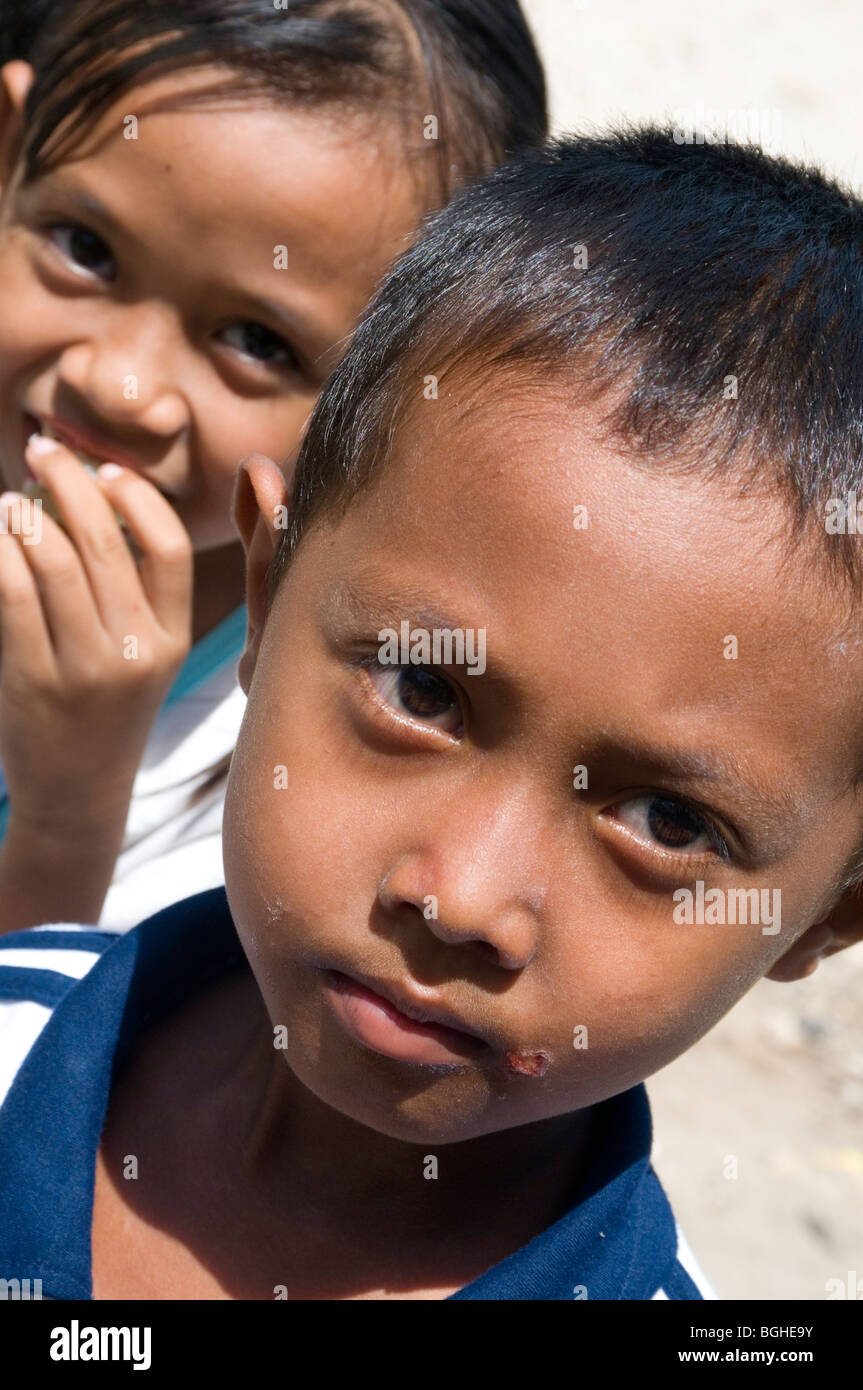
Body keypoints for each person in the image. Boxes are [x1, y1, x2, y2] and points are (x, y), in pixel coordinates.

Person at [7, 127, 863, 1300]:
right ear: (266, 596)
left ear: (830, 910)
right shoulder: (17, 1031)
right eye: (421, 691)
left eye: (666, 821)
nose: (459, 897)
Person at [0, 0, 547, 931]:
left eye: (257, 340)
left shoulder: (288, 748)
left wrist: (69, 809)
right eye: (85, 249)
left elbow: (47, 1070)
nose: (121, 384)